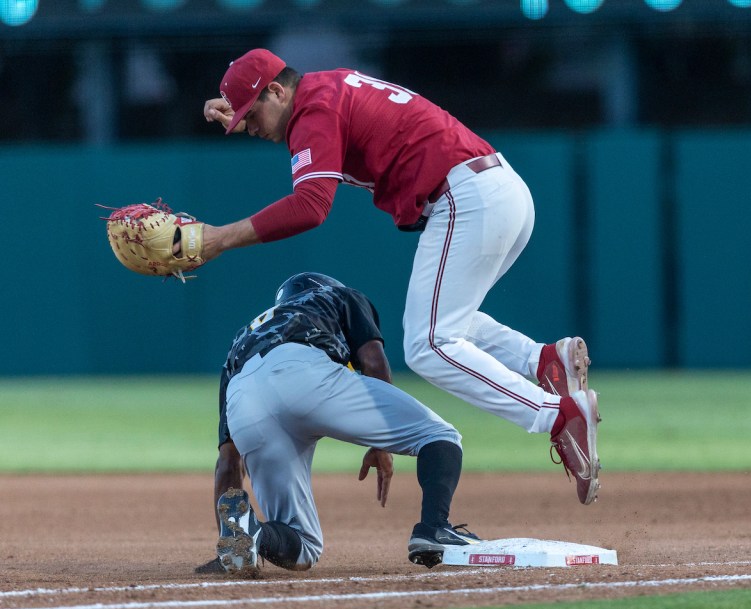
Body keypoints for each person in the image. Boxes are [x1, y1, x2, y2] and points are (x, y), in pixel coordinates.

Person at [199, 49, 601, 505]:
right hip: (497, 189)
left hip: (464, 196)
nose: (250, 129)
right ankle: (545, 361)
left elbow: (311, 207)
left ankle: (557, 415)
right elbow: (270, 100)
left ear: (277, 90)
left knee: (428, 345)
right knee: (446, 324)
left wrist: (218, 239)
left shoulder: (311, 111)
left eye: (251, 116)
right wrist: (239, 101)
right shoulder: (320, 89)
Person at [209, 272, 481, 572]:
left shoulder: (240, 339)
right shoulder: (333, 295)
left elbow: (227, 461)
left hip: (242, 397)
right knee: (438, 435)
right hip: (301, 369)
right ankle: (435, 528)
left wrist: (228, 539)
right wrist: (382, 440)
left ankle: (248, 533)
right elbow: (373, 361)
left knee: (304, 547)